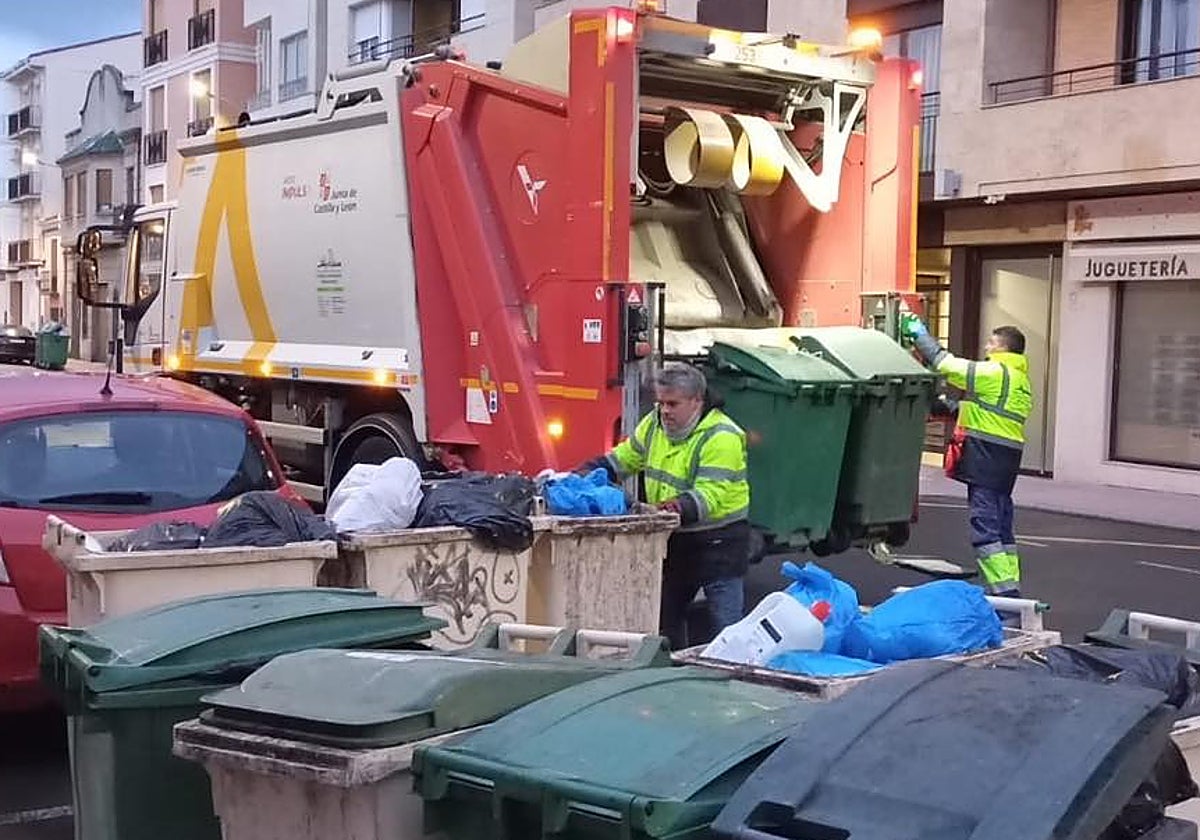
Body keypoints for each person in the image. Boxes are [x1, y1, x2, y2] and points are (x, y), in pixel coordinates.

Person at [580, 364, 751, 650]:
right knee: (665, 621)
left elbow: (710, 495)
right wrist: (585, 474)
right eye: (660, 403)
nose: (664, 411)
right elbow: (625, 458)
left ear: (697, 401)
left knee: (726, 629)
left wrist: (673, 508)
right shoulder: (654, 425)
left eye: (673, 404)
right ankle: (672, 676)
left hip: (720, 543)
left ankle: (731, 679)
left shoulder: (722, 437)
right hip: (675, 539)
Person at [902, 316, 1033, 596]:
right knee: (1002, 529)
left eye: (991, 343)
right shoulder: (1020, 380)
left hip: (987, 459)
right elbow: (988, 414)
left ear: (1003, 349)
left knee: (984, 530)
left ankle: (1005, 595)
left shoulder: (996, 372)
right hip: (1006, 461)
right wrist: (949, 406)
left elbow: (946, 365)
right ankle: (1010, 587)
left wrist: (919, 334)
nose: (986, 347)